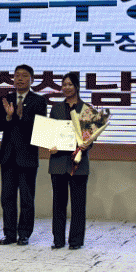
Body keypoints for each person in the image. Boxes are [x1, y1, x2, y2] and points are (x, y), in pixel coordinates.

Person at [0, 64, 47, 246]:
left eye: (24, 76)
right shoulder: (6, 99)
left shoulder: (39, 101)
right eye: (17, 75)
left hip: (27, 156)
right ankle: (9, 234)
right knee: (7, 198)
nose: (20, 79)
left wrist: (21, 116)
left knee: (26, 198)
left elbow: (40, 127)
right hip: (8, 156)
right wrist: (9, 117)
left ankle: (24, 234)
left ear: (32, 80)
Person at [48, 72, 91, 250]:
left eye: (70, 84)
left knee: (78, 205)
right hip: (58, 162)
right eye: (64, 84)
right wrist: (50, 144)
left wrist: (87, 144)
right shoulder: (56, 109)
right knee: (58, 203)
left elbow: (90, 137)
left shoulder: (86, 109)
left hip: (79, 164)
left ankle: (76, 240)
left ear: (77, 86)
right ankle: (58, 239)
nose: (66, 87)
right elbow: (50, 133)